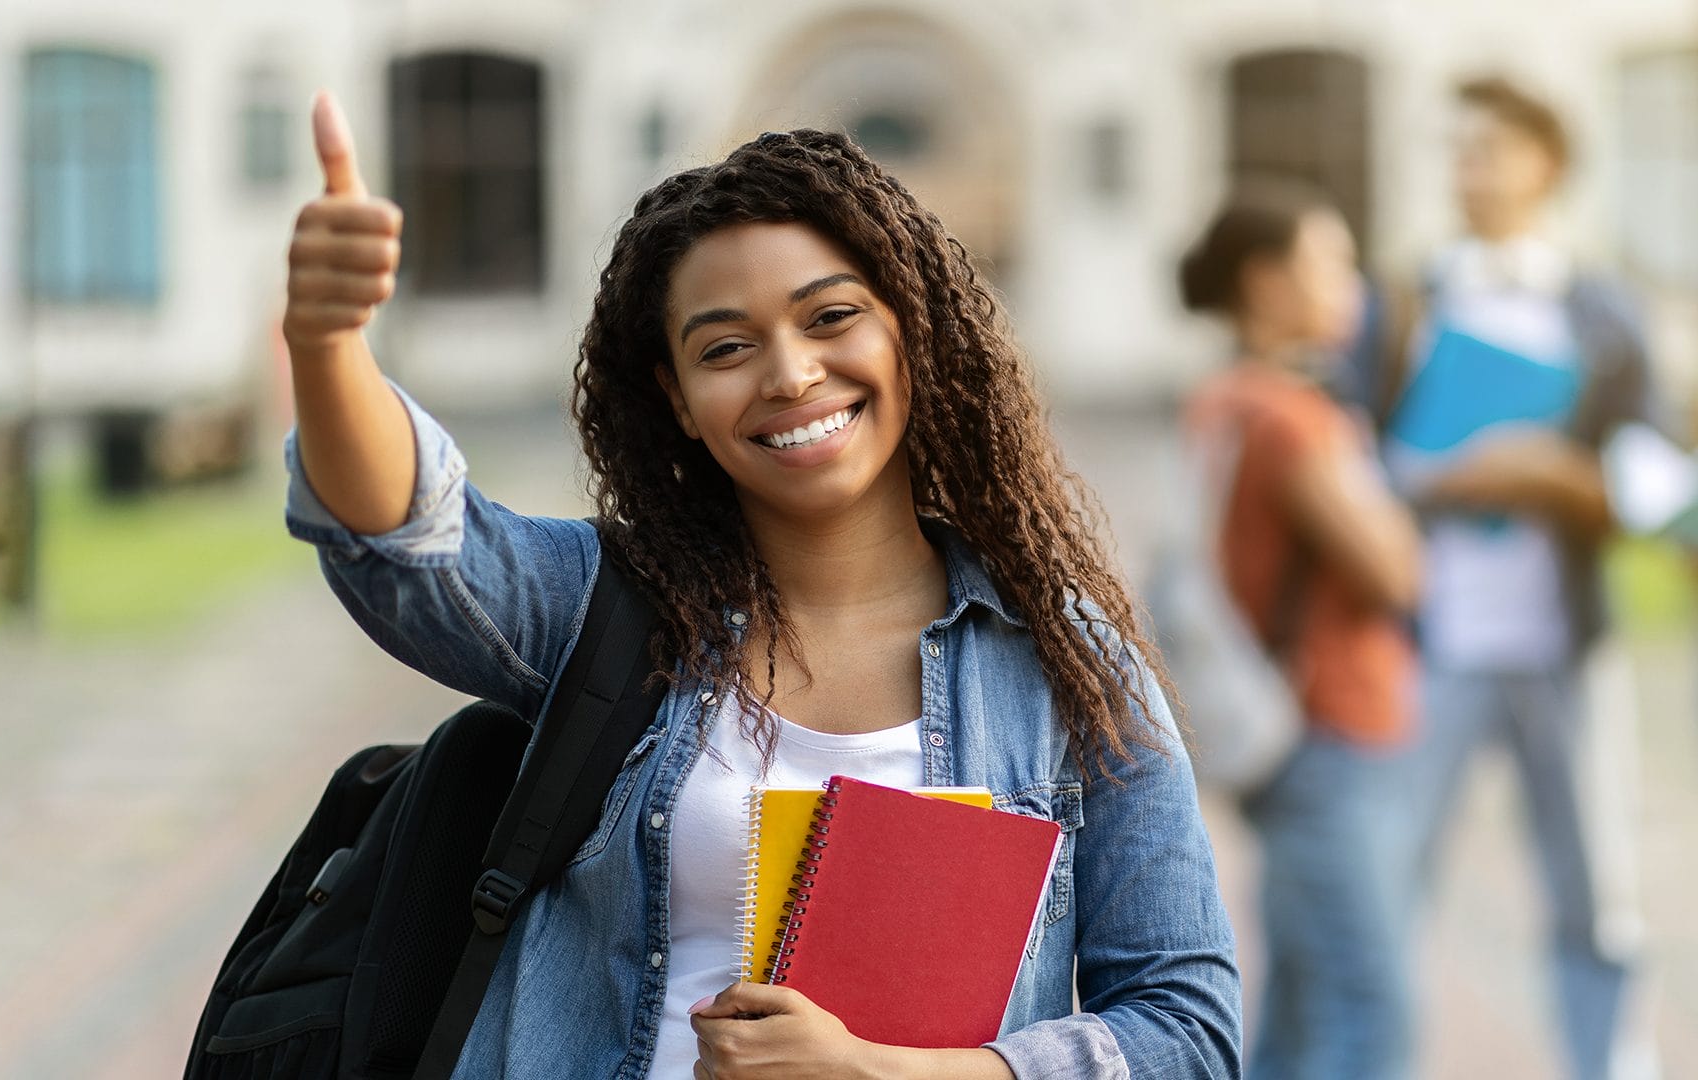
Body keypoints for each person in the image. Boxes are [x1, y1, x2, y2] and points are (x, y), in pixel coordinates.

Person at [280, 91, 1241, 1079]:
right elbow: (409, 538)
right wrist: (327, 344)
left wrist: (889, 1073)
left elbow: (1187, 1031)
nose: (788, 375)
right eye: (725, 347)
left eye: (831, 317)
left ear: (912, 331)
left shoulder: (1069, 666)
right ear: (679, 400)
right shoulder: (605, 609)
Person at [1359, 76, 1659, 1080]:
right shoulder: (1406, 299)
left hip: (1562, 646)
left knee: (1594, 897)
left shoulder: (1600, 303)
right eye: (1457, 152)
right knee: (1391, 885)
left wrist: (1560, 476)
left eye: (1488, 150)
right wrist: (1441, 479)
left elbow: (1658, 475)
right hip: (1430, 640)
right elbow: (1354, 457)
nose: (1468, 172)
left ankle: (1612, 1065)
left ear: (1548, 164)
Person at [1177, 183, 1423, 1080]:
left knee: (1305, 993)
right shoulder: (1291, 415)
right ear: (1265, 281)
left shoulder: (1221, 401)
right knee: (1370, 1004)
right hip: (1328, 725)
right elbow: (1395, 572)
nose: (1351, 287)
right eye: (1331, 263)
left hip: (1284, 721)